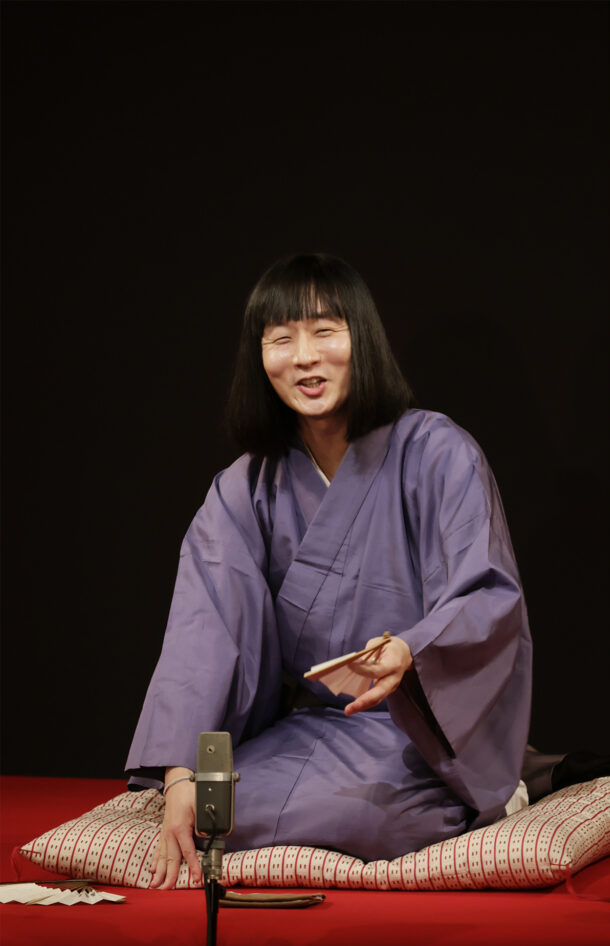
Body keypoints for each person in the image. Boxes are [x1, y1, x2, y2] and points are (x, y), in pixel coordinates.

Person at [126, 252, 533, 889]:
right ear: (259, 357)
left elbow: (485, 594)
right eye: (281, 339)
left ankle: (498, 789)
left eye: (324, 331)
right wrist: (181, 773)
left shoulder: (437, 453)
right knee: (217, 808)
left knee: (365, 815)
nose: (305, 357)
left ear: (361, 338)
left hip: (418, 728)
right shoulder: (245, 488)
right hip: (309, 727)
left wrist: (411, 650)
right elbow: (204, 631)